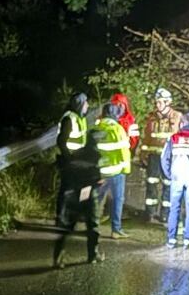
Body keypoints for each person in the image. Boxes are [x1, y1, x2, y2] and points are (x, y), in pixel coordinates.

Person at [54, 138, 102, 268]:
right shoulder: (97, 156)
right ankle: (92, 256)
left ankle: (58, 258)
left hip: (72, 193)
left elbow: (67, 173)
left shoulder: (76, 154)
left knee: (67, 227)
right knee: (93, 225)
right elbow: (97, 178)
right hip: (88, 193)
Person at [160, 110, 189, 248]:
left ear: (182, 123)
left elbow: (164, 158)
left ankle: (171, 239)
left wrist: (169, 174)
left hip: (177, 177)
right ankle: (187, 239)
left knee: (174, 208)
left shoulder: (174, 138)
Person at [140, 87, 180, 223]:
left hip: (169, 158)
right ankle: (150, 213)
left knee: (168, 185)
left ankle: (165, 214)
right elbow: (146, 137)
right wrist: (143, 154)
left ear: (168, 102)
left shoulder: (177, 117)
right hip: (154, 157)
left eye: (160, 102)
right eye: (156, 102)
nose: (157, 105)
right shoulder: (151, 118)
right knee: (151, 183)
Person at [94, 102, 132, 238]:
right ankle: (116, 230)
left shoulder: (96, 127)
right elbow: (124, 152)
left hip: (100, 171)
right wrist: (126, 169)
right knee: (118, 199)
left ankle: (93, 226)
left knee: (97, 199)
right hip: (116, 171)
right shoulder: (117, 129)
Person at [55, 91, 90, 228]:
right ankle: (61, 217)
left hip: (79, 160)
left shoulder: (80, 118)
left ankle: (77, 214)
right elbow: (61, 141)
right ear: (80, 104)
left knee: (83, 187)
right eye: (86, 103)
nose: (88, 105)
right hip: (70, 160)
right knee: (67, 189)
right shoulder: (69, 119)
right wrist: (69, 158)